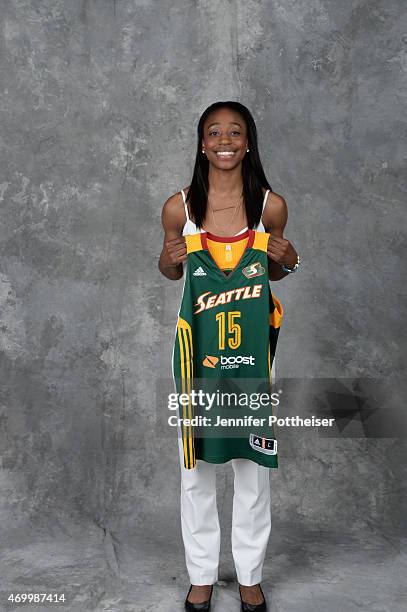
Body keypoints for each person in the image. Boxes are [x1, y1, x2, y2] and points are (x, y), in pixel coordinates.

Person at [158, 101, 299, 611]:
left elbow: (279, 271)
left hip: (254, 360)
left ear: (248, 142)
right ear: (201, 143)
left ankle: (250, 576)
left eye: (234, 132)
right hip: (199, 359)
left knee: (252, 467)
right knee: (194, 468)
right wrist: (166, 259)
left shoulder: (270, 208)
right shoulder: (180, 208)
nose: (224, 140)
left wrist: (291, 258)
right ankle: (199, 575)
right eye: (213, 132)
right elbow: (172, 271)